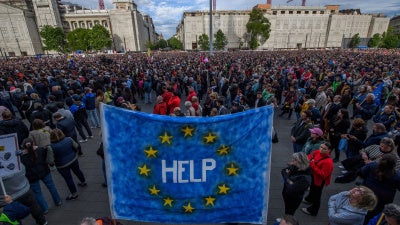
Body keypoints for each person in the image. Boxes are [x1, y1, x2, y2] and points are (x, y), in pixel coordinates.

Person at [20, 138, 62, 213]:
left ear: (23, 146)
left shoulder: (21, 157)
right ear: (33, 143)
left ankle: (45, 208)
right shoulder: (40, 150)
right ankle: (58, 201)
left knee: (37, 193)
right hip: (45, 172)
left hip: (32, 177)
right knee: (51, 186)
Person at [359, 154, 400, 224]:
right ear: (394, 165)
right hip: (381, 202)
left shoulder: (372, 165)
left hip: (366, 195)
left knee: (360, 212)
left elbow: (361, 173)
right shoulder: (396, 175)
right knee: (374, 217)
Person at [50, 128, 87, 200]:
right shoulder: (69, 139)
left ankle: (74, 194)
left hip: (62, 165)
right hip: (73, 159)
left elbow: (51, 160)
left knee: (68, 179)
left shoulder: (51, 146)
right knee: (77, 171)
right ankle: (83, 181)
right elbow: (76, 146)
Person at [302, 142, 334, 216]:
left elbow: (323, 175)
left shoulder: (328, 162)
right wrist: (309, 160)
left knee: (317, 195)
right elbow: (310, 156)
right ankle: (309, 199)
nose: (321, 149)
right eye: (321, 147)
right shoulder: (317, 152)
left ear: (329, 150)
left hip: (319, 180)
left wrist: (313, 165)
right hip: (313, 176)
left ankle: (313, 210)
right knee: (313, 189)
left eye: (324, 149)